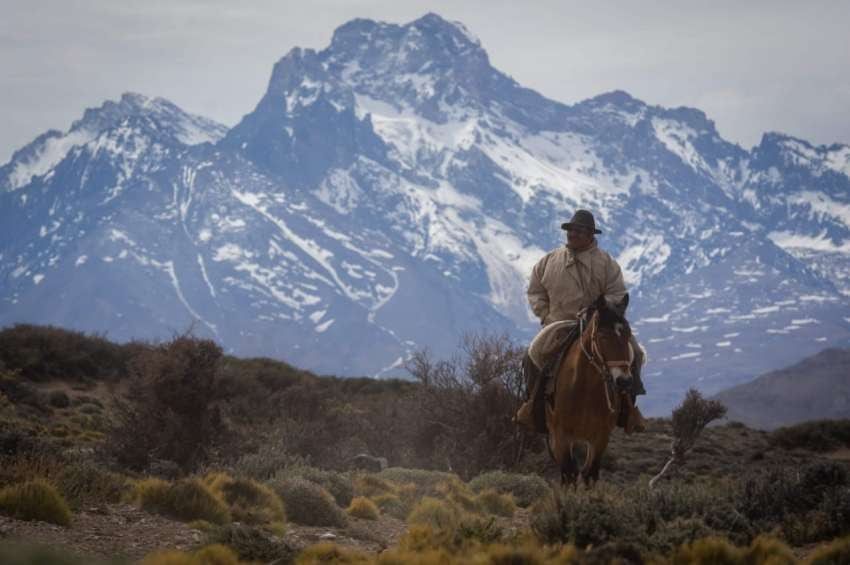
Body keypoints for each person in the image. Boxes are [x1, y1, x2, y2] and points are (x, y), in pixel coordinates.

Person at [515, 209, 646, 433]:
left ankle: (627, 411)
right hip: (559, 323)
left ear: (590, 235)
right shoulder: (548, 261)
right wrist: (545, 315)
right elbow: (535, 292)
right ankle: (533, 409)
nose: (573, 234)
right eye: (571, 230)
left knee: (636, 353)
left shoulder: (606, 263)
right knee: (531, 356)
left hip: (598, 324)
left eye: (579, 231)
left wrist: (600, 311)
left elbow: (617, 293)